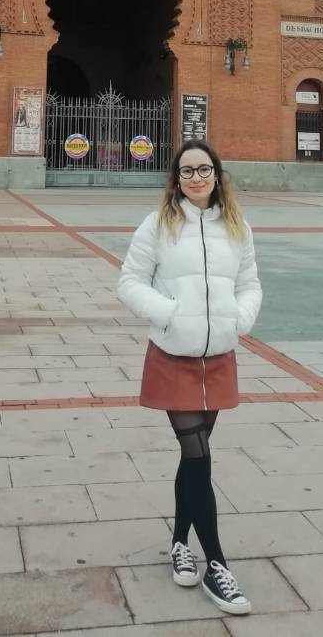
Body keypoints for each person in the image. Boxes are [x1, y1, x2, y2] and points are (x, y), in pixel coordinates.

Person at [117, 140, 262, 615]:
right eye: (186, 171)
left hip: (217, 355)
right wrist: (170, 315)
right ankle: (217, 565)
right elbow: (130, 281)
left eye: (203, 169)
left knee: (192, 460)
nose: (195, 177)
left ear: (218, 175)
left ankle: (180, 542)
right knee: (197, 456)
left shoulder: (237, 228)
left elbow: (250, 283)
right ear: (175, 180)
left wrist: (236, 320)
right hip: (174, 353)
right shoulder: (159, 224)